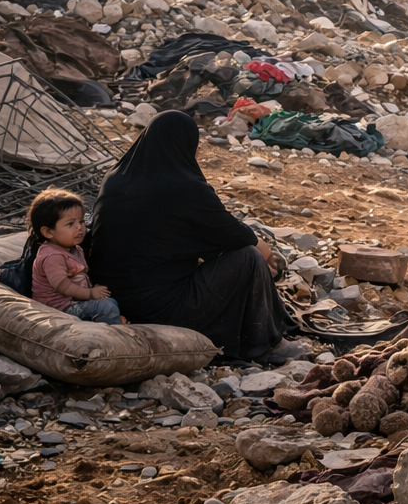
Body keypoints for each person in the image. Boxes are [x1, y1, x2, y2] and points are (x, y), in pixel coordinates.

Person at [88, 111, 300, 362]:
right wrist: (267, 256)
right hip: (159, 309)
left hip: (113, 300)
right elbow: (240, 237)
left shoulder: (115, 178)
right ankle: (265, 344)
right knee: (249, 257)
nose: (197, 154)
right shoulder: (184, 187)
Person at [28, 188, 123, 325]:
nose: (80, 227)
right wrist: (90, 293)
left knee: (108, 296)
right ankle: (113, 332)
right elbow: (63, 287)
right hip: (58, 308)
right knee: (107, 306)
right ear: (48, 232)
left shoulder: (73, 248)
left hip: (74, 301)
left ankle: (108, 320)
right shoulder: (53, 256)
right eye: (70, 224)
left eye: (81, 221)